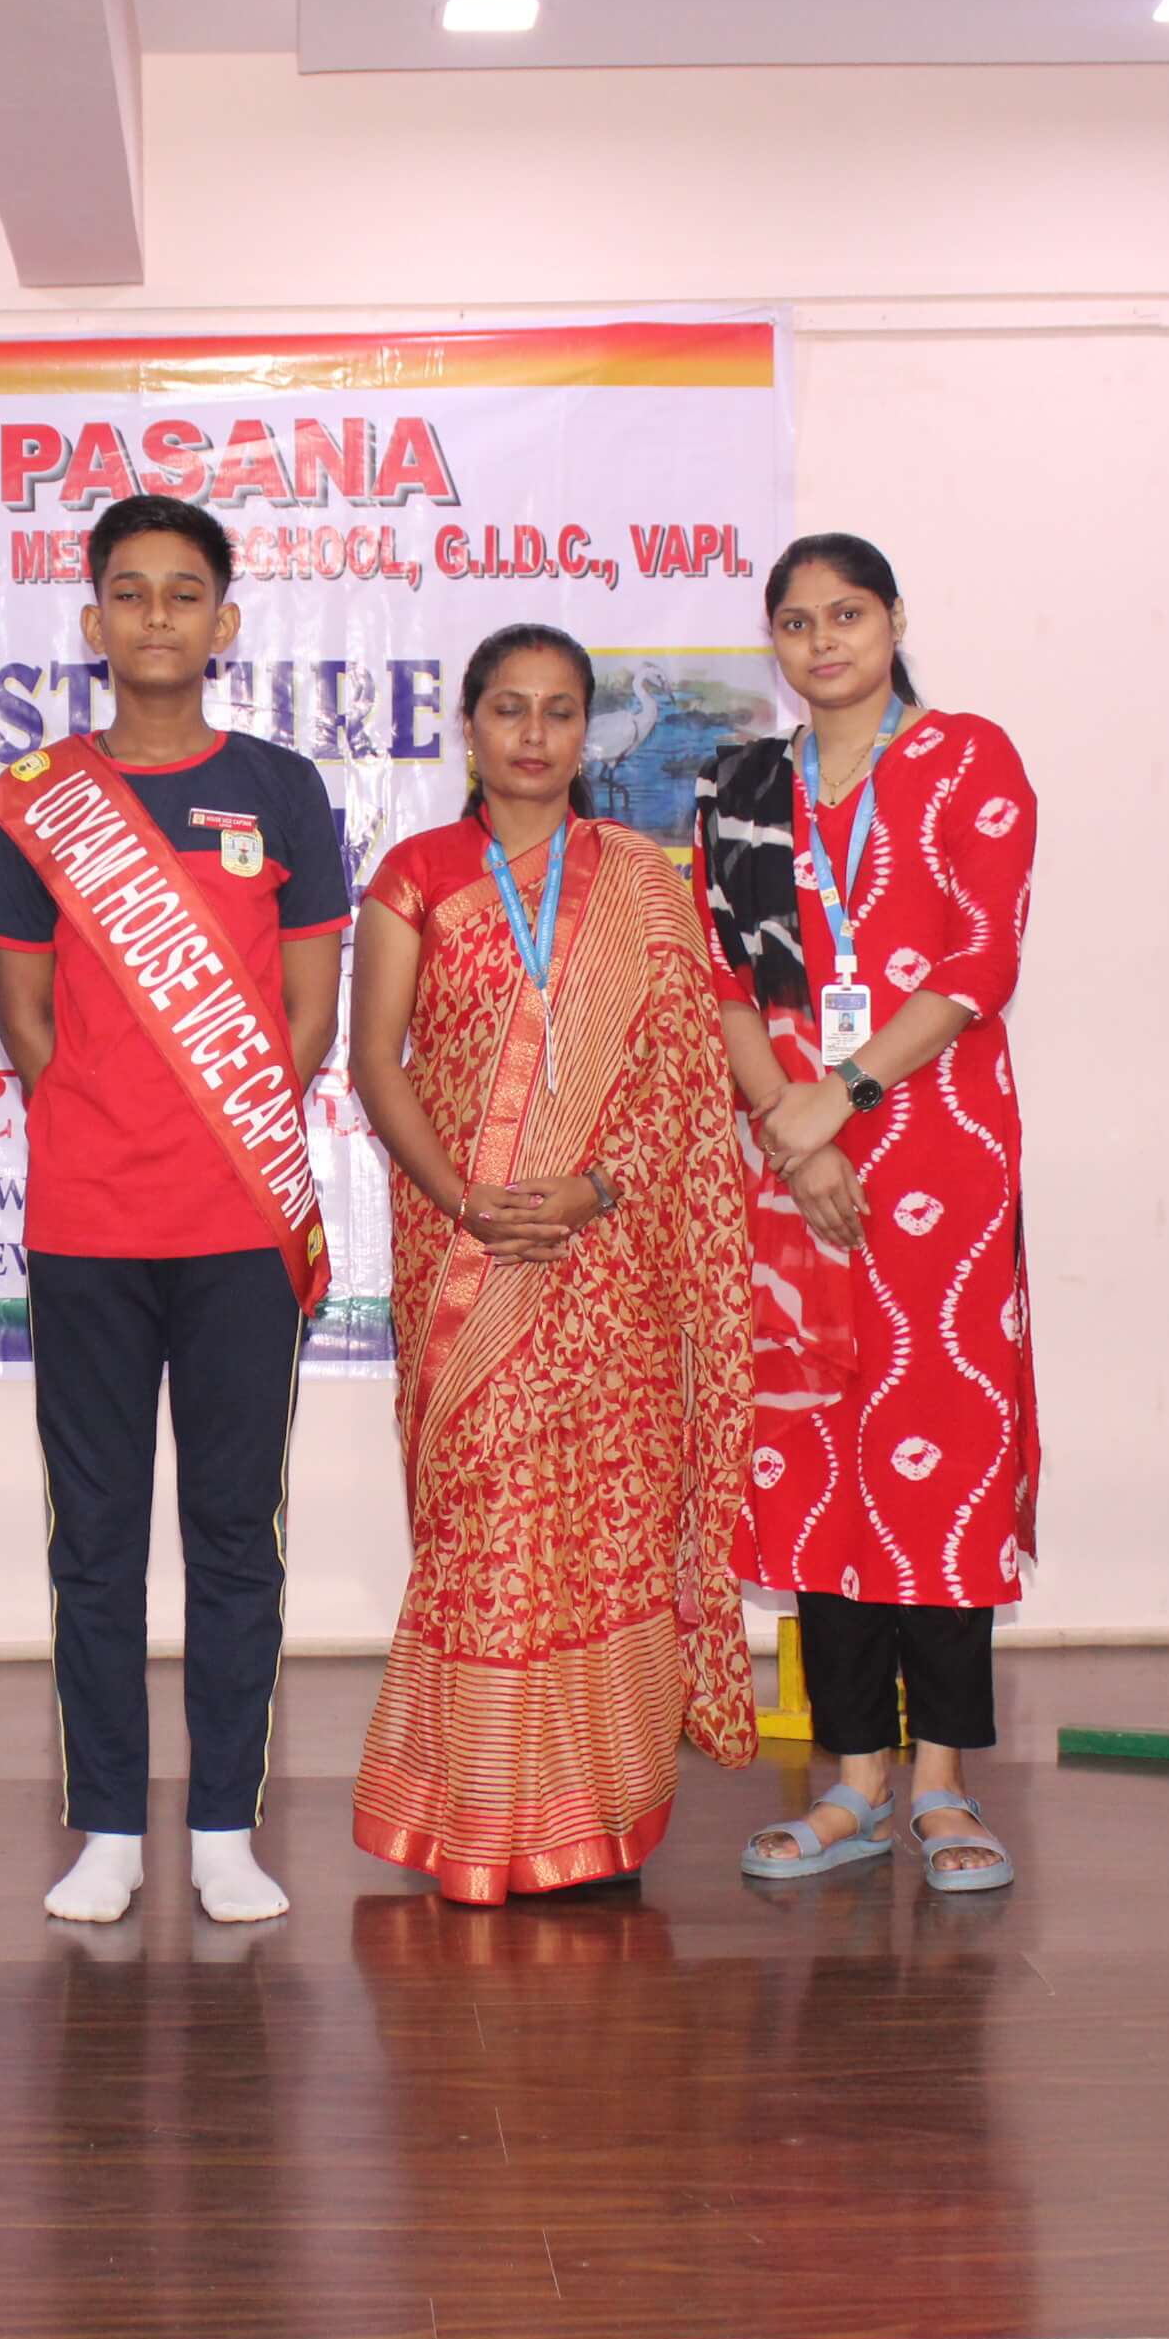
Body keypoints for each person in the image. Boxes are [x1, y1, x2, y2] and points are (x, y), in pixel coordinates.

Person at [347, 623, 757, 1904]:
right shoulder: (416, 874)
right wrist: (466, 1200)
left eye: (560, 711)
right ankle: (476, 1817)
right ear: (468, 726)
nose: (534, 734)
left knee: (606, 1527)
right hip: (463, 1251)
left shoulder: (645, 882)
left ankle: (600, 1813)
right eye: (509, 708)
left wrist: (597, 1187)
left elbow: (683, 1082)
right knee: (485, 1525)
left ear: (587, 731)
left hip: (614, 1257)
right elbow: (375, 1064)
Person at [0, 495, 347, 1925]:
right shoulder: (41, 799)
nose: (155, 617)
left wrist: (222, 1127)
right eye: (128, 593)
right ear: (93, 622)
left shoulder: (281, 786)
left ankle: (224, 1825)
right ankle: (106, 1828)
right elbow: (23, 1014)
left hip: (241, 1223)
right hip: (86, 1226)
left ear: (224, 622)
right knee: (95, 1538)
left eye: (183, 594)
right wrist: (108, 1121)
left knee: (234, 1532)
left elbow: (310, 1013)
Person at [701, 535, 1043, 1897]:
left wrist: (838, 1094)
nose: (823, 641)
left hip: (939, 1153)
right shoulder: (743, 787)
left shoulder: (968, 758)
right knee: (814, 1461)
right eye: (796, 622)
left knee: (944, 1452)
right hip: (795, 1164)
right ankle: (852, 1784)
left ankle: (944, 1783)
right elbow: (727, 981)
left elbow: (981, 957)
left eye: (848, 614)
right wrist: (792, 1131)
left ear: (895, 619)